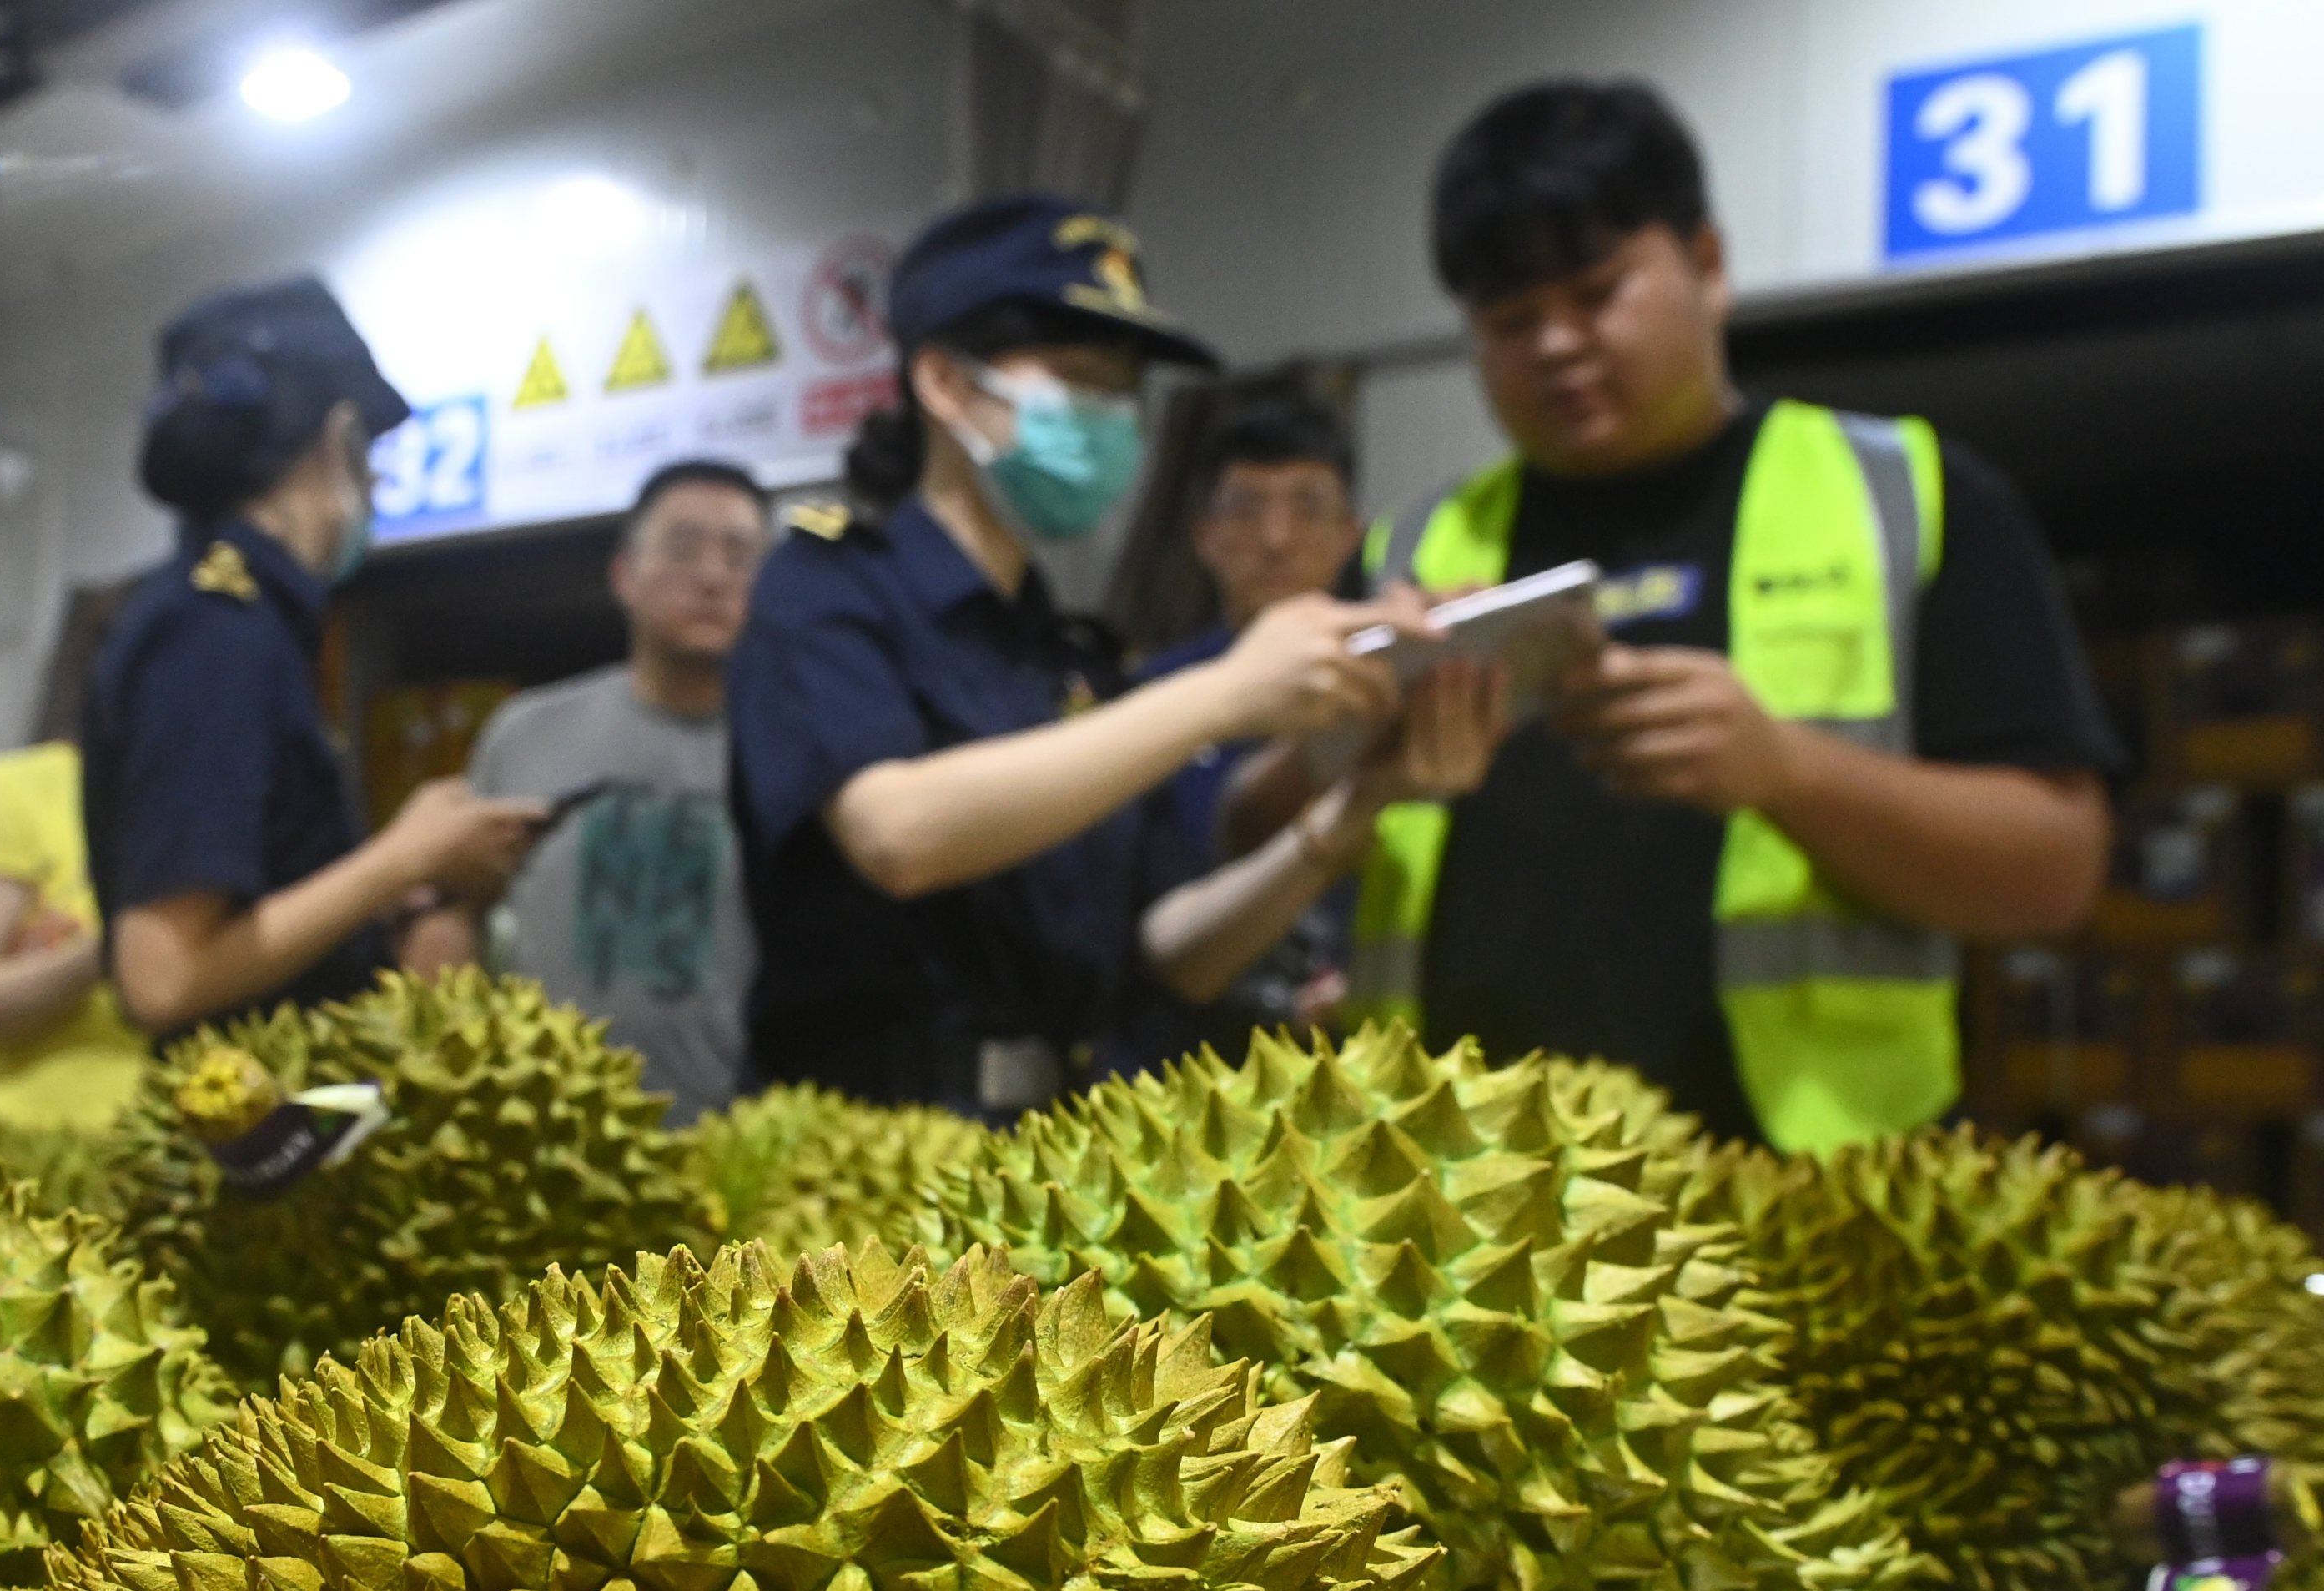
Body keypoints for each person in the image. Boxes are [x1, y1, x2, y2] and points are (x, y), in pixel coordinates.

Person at [1330, 79, 2120, 1150]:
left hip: (1812, 1206)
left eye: (1597, 291)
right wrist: (1358, 744)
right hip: (1445, 1207)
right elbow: (1258, 828)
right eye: (1510, 320)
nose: (1556, 344)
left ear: (1707, 263)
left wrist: (1788, 772)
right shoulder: (1410, 550)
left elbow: (2055, 871)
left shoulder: (1909, 497)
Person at [722, 194, 1429, 1116]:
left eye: (1120, 390)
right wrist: (1221, 695)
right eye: (1074, 378)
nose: (1108, 419)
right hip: (864, 1159)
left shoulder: (1070, 658)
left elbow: (1173, 947)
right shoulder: (827, 588)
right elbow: (897, 834)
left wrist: (1340, 821)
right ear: (944, 383)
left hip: (1058, 1146)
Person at [84, 275, 544, 1038]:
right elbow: (164, 975)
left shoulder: (242, 626)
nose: (371, 492)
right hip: (259, 1136)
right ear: (337, 441)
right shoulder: (216, 634)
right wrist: (404, 857)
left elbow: (250, 909)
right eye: (371, 462)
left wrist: (396, 896)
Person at [401, 460, 769, 1122]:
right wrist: (434, 1076)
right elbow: (454, 911)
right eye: (683, 550)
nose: (713, 577)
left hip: (739, 1135)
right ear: (624, 575)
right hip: (539, 1128)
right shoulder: (527, 732)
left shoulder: (796, 748)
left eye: (740, 557)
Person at [1116, 389, 1373, 1062]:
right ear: (1204, 536)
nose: (1276, 538)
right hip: (1179, 1069)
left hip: (1362, 1060)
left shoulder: (1390, 687)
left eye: (1307, 507)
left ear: (1350, 533)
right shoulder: (1146, 701)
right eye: (1246, 507)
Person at [0, 587, 155, 1127]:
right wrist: (111, 950)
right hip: (12, 1149)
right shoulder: (12, 791)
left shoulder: (201, 808)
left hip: (161, 1150)